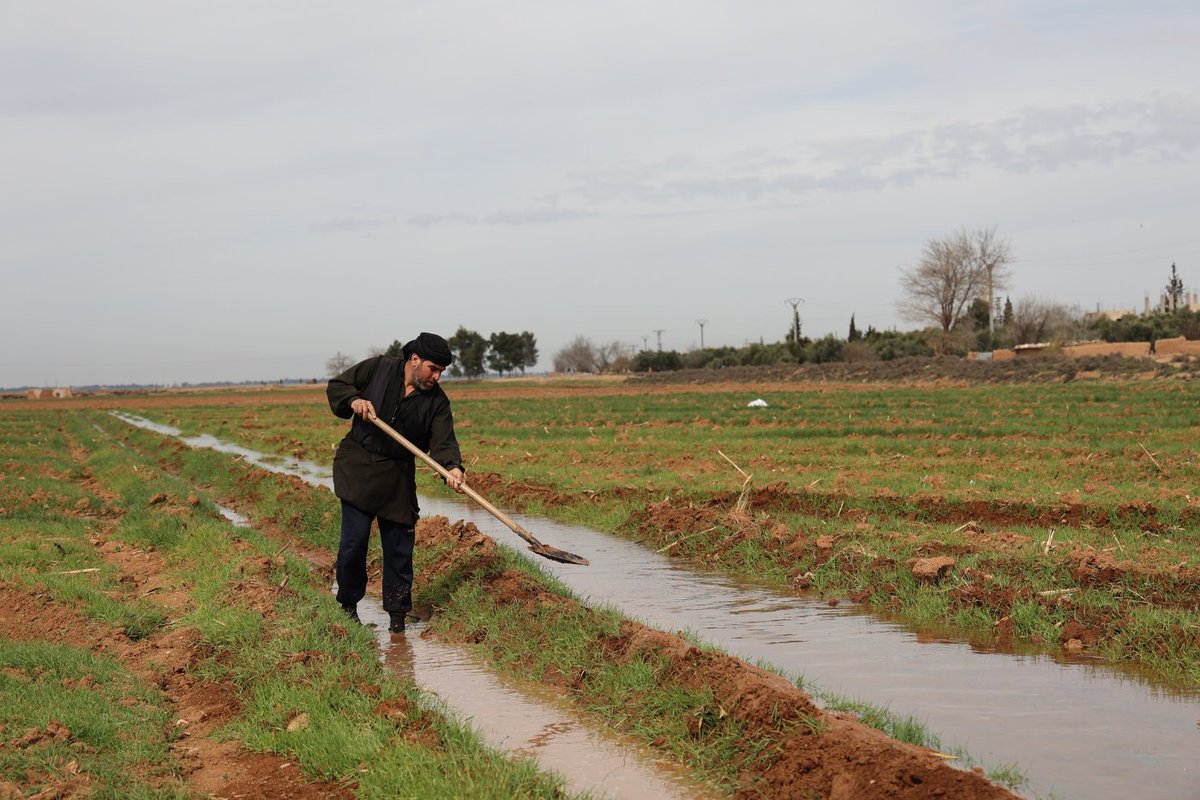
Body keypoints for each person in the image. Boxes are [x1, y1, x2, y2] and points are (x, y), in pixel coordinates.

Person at [326, 332, 465, 633]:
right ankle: (348, 607)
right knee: (354, 543)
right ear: (415, 360)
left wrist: (452, 468)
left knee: (400, 547)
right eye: (433, 368)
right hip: (358, 467)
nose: (437, 376)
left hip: (397, 476)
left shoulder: (437, 402)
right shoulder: (378, 368)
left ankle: (397, 619)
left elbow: (443, 442)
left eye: (442, 371)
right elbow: (338, 386)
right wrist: (355, 400)